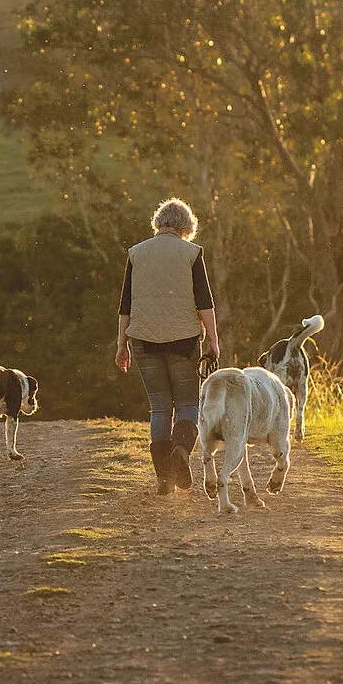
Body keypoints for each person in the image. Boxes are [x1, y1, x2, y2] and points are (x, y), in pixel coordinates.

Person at [115, 197, 220, 494]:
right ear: (187, 226)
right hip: (184, 340)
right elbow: (204, 301)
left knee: (159, 407)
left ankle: (164, 478)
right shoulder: (192, 253)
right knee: (187, 404)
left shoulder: (136, 253)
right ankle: (181, 451)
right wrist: (213, 339)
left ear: (158, 223)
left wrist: (121, 344)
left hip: (143, 340)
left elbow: (125, 305)